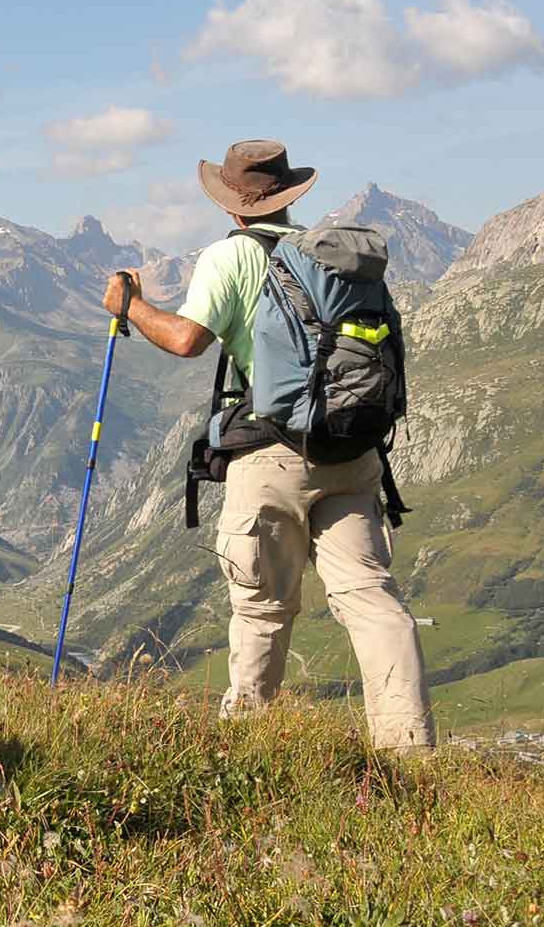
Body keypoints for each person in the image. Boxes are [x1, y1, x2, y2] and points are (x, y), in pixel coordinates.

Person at [100, 139, 435, 753]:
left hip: (271, 454)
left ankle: (246, 745)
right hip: (352, 452)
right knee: (372, 600)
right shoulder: (325, 257)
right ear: (288, 196)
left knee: (261, 610)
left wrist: (131, 305)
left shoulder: (230, 259)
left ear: (231, 206)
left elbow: (184, 340)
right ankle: (409, 746)